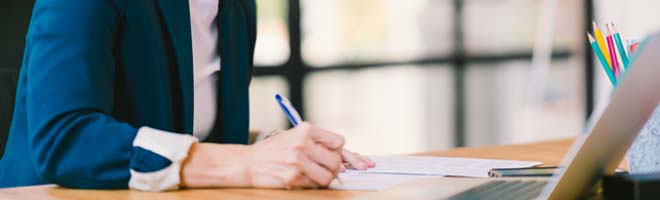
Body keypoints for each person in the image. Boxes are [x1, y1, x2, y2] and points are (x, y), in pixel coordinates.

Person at [0, 0, 374, 191]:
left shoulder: (236, 7)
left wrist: (279, 150)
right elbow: (66, 139)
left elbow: (195, 137)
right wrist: (243, 163)